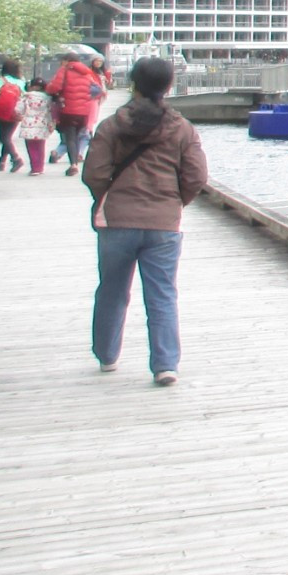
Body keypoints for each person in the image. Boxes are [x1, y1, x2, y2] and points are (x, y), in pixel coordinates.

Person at [83, 56, 208, 385]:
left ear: (134, 83)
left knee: (111, 290)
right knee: (162, 294)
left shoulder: (111, 126)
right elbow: (196, 177)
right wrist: (174, 201)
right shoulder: (182, 128)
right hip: (164, 223)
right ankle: (166, 364)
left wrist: (110, 196)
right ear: (168, 86)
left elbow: (93, 173)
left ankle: (107, 355)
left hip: (117, 221)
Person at [46, 52, 102, 177]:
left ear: (66, 61)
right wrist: (87, 97)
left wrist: (48, 89)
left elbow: (55, 87)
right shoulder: (86, 72)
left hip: (68, 110)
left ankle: (73, 165)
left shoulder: (64, 70)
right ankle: (75, 161)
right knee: (77, 136)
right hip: (84, 111)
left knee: (70, 138)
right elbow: (98, 89)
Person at [0, 58, 26, 171]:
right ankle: (2, 162)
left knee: (4, 137)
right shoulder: (21, 81)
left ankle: (16, 158)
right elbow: (23, 96)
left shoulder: (1, 80)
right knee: (7, 137)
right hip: (15, 112)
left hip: (2, 111)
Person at [16, 78, 55, 175]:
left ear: (31, 86)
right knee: (41, 146)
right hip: (42, 123)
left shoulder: (26, 97)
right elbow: (51, 111)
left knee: (31, 147)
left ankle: (34, 168)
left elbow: (18, 109)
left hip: (28, 124)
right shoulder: (48, 98)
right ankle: (40, 167)